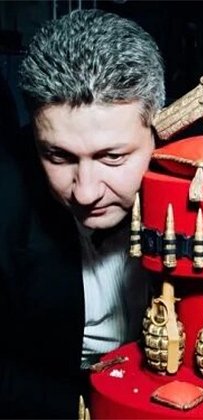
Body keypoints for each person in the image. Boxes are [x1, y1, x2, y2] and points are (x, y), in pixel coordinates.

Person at [0, 9, 165, 417]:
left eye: (113, 157)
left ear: (159, 131)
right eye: (58, 156)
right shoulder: (8, 194)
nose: (86, 192)